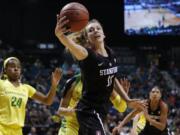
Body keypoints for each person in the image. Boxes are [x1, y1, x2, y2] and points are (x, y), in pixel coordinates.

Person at [55, 15, 144, 135]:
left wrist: (127, 99)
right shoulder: (87, 55)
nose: (95, 30)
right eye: (91, 30)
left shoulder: (111, 54)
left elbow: (112, 78)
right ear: (87, 39)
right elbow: (72, 45)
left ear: (103, 34)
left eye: (98, 28)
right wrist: (61, 35)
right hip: (88, 111)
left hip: (100, 112)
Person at [0, 57, 62, 135]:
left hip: (17, 130)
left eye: (18, 67)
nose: (16, 69)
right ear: (5, 70)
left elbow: (47, 101)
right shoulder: (1, 84)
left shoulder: (26, 88)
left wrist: (54, 86)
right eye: (12, 66)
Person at [55, 74, 129, 135]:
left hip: (92, 125)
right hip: (71, 125)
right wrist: (72, 111)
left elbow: (121, 108)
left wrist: (123, 96)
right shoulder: (73, 82)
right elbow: (60, 111)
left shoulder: (105, 84)